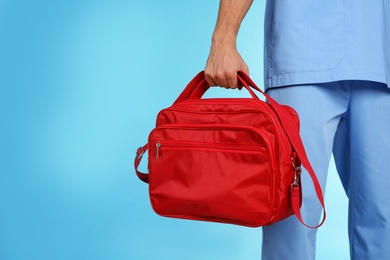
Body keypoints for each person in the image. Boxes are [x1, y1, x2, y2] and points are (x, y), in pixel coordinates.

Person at [205, 0, 390, 259]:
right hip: (301, 53)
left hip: (381, 59)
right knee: (291, 215)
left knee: (383, 219)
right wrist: (223, 38)